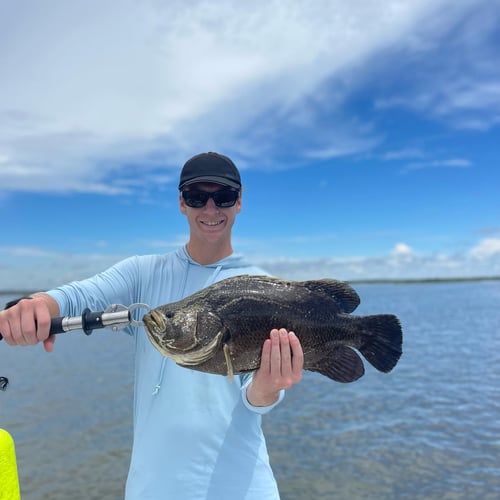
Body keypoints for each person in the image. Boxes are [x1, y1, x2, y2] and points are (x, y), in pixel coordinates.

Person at [0, 152, 304, 499]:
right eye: (195, 197)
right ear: (181, 203)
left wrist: (269, 389)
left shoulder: (262, 286)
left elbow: (256, 397)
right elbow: (78, 295)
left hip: (244, 488)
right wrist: (36, 306)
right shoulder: (143, 273)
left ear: (239, 202)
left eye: (222, 197)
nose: (209, 209)